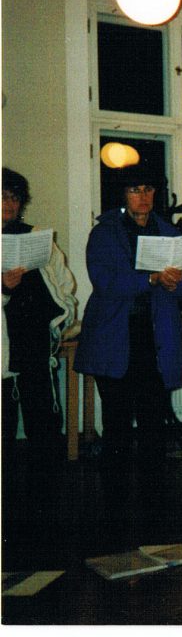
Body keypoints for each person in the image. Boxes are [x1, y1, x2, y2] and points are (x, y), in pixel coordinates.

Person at [75, 164, 182, 474]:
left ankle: (153, 495)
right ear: (123, 194)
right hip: (115, 336)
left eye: (148, 189)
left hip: (155, 336)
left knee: (153, 423)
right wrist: (150, 280)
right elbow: (104, 282)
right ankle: (115, 495)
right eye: (135, 190)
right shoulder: (105, 232)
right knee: (116, 423)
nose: (143, 196)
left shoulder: (169, 232)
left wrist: (174, 283)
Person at [2, 167, 78, 466]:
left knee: (44, 424)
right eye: (2, 196)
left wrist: (62, 318)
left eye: (14, 197)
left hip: (35, 344)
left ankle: (46, 489)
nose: (8, 203)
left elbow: (64, 283)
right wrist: (3, 288)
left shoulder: (37, 236)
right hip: (3, 349)